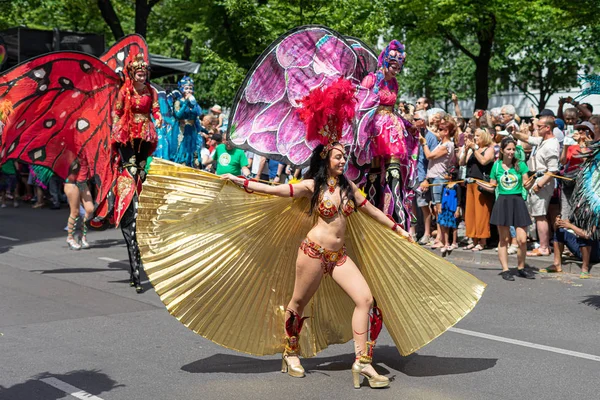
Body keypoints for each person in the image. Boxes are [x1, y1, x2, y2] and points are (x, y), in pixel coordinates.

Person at [111, 53, 162, 293]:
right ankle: (128, 175)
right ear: (133, 74)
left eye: (145, 72)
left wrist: (159, 118)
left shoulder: (151, 91)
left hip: (145, 129)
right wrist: (115, 127)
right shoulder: (125, 91)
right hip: (128, 130)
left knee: (141, 168)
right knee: (130, 167)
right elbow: (118, 111)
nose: (142, 75)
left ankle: (139, 176)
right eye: (139, 72)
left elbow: (155, 109)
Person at [360, 40, 419, 229]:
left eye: (399, 67)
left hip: (392, 130)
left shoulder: (394, 82)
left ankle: (399, 218)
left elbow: (392, 110)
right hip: (374, 131)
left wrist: (408, 124)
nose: (396, 70)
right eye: (393, 66)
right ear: (385, 61)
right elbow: (360, 104)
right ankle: (372, 217)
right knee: (375, 175)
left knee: (395, 172)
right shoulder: (372, 79)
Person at [482, 137, 533, 281]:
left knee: (522, 240)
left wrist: (534, 180)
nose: (511, 152)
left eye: (513, 149)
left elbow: (526, 184)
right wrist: (476, 182)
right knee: (504, 239)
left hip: (517, 201)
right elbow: (492, 187)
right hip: (503, 201)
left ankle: (521, 267)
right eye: (508, 149)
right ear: (502, 150)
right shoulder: (496, 166)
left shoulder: (520, 165)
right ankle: (505, 269)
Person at [513, 116, 560, 257]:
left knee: (540, 215)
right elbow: (529, 139)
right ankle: (542, 245)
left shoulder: (551, 145)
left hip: (542, 183)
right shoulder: (542, 140)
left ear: (548, 128)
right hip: (536, 180)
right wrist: (515, 133)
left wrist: (539, 185)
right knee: (537, 215)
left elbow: (553, 170)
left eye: (539, 126)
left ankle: (544, 247)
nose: (536, 129)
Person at [420, 117, 456, 250]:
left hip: (439, 178)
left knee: (438, 208)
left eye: (441, 129)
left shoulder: (447, 145)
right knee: (435, 208)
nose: (438, 131)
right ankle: (439, 237)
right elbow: (434, 134)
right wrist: (426, 128)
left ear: (446, 131)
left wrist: (424, 143)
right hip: (434, 178)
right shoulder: (443, 142)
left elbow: (429, 156)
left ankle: (440, 238)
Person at [459, 128, 495, 251]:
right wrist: (465, 150)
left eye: (478, 136)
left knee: (482, 213)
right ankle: (473, 239)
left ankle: (482, 240)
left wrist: (474, 148)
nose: (475, 138)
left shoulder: (489, 149)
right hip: (470, 183)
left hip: (481, 184)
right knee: (471, 213)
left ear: (484, 136)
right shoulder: (473, 150)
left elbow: (484, 161)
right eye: (475, 136)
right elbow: (461, 163)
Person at [413, 110, 438, 245]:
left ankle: (427, 233)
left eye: (415, 119)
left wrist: (427, 179)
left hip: (423, 176)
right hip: (412, 175)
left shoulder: (431, 138)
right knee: (412, 205)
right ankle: (415, 231)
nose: (413, 121)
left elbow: (432, 160)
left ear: (422, 121)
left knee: (423, 205)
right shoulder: (413, 135)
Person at [559, 121, 592, 220]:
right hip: (569, 179)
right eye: (578, 129)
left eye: (583, 129)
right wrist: (566, 145)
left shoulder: (592, 145)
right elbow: (563, 161)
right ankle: (566, 229)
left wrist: (581, 143)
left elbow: (587, 160)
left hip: (583, 181)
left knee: (579, 208)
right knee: (566, 207)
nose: (580, 131)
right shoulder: (572, 145)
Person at [64, 156, 94, 250]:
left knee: (90, 209)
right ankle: (70, 238)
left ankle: (82, 236)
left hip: (82, 183)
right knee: (75, 212)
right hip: (71, 182)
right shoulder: (70, 150)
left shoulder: (87, 151)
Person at [173, 77, 202, 166]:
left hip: (192, 131)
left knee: (195, 156)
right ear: (181, 89)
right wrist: (185, 102)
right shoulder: (178, 102)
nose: (189, 90)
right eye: (186, 88)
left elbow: (199, 113)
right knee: (182, 153)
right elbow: (178, 115)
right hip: (182, 131)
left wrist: (194, 103)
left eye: (190, 88)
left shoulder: (194, 103)